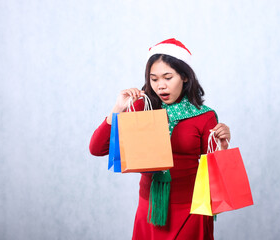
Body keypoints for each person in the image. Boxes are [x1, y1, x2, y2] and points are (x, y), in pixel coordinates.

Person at [89, 38, 231, 239]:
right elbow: (97, 148)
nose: (161, 86)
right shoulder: (142, 108)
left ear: (184, 77)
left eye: (167, 77)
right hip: (150, 207)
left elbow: (214, 174)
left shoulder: (204, 116)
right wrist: (118, 109)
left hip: (191, 208)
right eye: (154, 79)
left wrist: (222, 147)